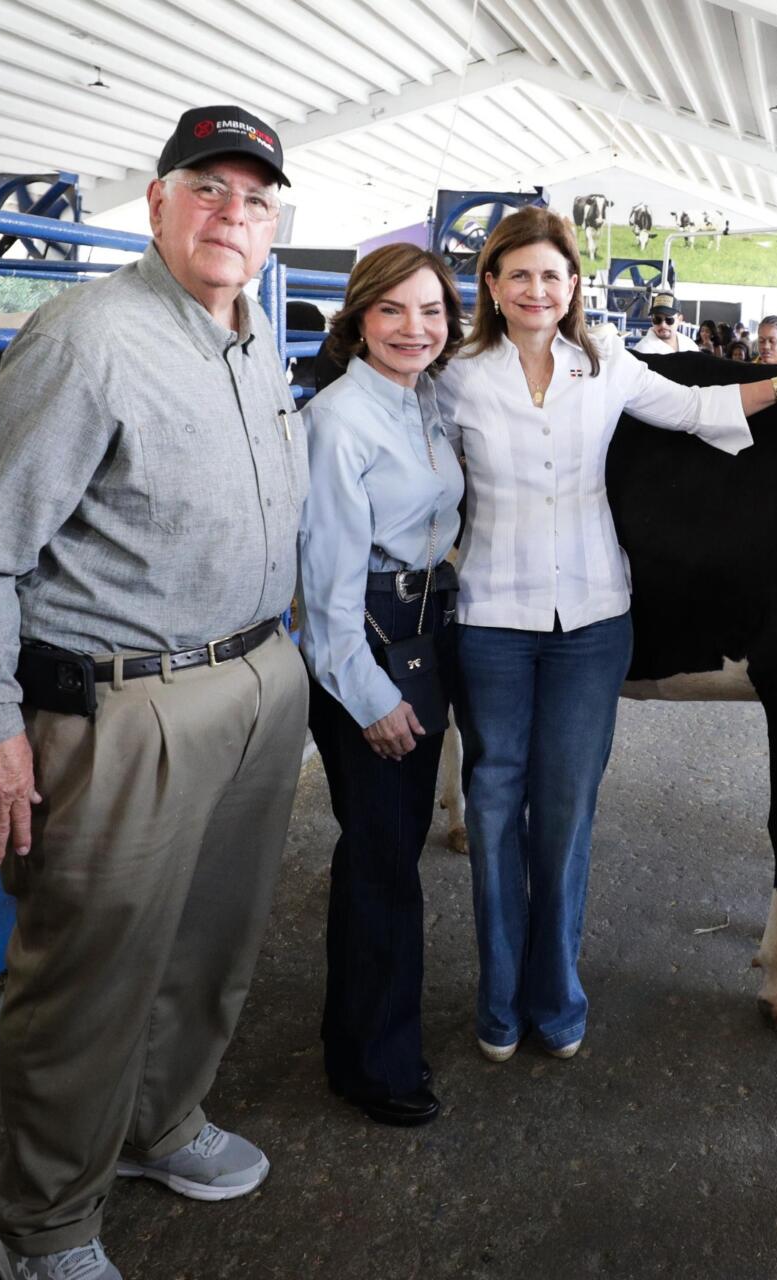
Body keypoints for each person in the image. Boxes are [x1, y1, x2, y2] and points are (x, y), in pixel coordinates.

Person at [0, 105, 311, 1280]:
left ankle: (157, 1123)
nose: (230, 216)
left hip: (254, 673)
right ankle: (42, 1224)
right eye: (208, 190)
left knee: (212, 942)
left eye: (253, 199)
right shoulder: (88, 336)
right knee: (91, 972)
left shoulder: (255, 335)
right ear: (155, 202)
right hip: (127, 698)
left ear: (274, 221)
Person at [436, 207, 777, 1063]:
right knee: (489, 807)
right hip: (490, 617)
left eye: (552, 275)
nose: (537, 290)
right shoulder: (453, 374)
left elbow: (701, 408)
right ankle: (498, 995)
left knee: (566, 811)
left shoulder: (606, 365)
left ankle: (555, 996)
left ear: (573, 286)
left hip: (593, 620)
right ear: (491, 285)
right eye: (518, 274)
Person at [298, 244, 466, 1129]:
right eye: (394, 311)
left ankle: (364, 1037)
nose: (416, 329)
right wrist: (369, 700)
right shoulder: (338, 421)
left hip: (421, 636)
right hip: (367, 651)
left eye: (432, 311)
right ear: (359, 318)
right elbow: (323, 589)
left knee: (388, 853)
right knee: (378, 862)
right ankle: (373, 1063)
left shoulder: (421, 402)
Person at [632, 292, 698, 355]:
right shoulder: (641, 350)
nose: (663, 325)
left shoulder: (690, 345)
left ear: (680, 319)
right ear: (652, 320)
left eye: (669, 320)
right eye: (657, 320)